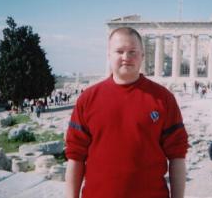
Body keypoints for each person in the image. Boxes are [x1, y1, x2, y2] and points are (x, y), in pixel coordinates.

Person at [65, 27, 188, 198]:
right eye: (119, 51)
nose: (126, 57)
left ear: (142, 56)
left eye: (133, 52)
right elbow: (75, 156)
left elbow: (177, 156)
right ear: (109, 55)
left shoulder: (163, 99)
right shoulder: (87, 99)